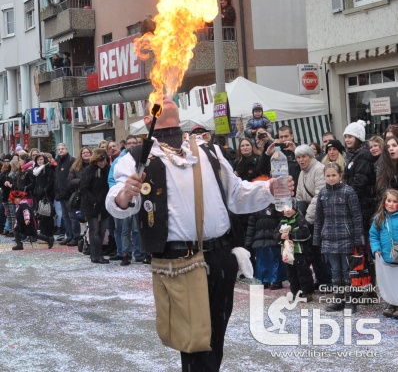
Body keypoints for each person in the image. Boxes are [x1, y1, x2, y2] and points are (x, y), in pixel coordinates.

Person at [106, 97, 293, 372]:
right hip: (179, 261)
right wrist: (124, 195)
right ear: (149, 120)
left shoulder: (209, 151)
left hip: (220, 258)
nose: (164, 97)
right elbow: (119, 202)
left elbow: (237, 194)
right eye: (155, 101)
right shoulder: (137, 158)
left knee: (216, 336)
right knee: (195, 339)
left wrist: (269, 189)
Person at [313, 162, 363, 312]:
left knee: (348, 270)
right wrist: (317, 238)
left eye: (334, 175)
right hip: (328, 238)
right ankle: (338, 298)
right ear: (324, 177)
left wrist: (357, 238)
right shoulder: (322, 194)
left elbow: (357, 216)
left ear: (340, 176)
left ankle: (350, 300)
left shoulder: (349, 192)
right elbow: (318, 218)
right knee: (335, 270)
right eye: (328, 175)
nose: (331, 178)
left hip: (346, 237)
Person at [294, 144, 331, 287]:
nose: (301, 160)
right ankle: (320, 279)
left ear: (311, 156)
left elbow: (319, 196)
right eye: (298, 157)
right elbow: (299, 196)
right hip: (308, 216)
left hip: (320, 216)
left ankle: (327, 280)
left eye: (304, 156)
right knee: (313, 251)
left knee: (321, 250)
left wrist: (307, 219)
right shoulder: (302, 172)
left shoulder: (319, 169)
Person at [108, 135, 147, 266]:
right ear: (125, 144)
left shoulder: (143, 158)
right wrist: (120, 194)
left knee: (137, 229)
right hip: (124, 199)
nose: (132, 145)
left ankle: (139, 252)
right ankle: (125, 253)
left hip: (140, 198)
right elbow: (112, 179)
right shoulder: (120, 160)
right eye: (129, 143)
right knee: (124, 229)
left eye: (134, 143)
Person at [274, 200, 314, 301]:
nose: (287, 211)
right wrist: (280, 236)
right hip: (288, 253)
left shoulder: (300, 220)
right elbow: (274, 234)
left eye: (290, 208)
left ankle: (307, 292)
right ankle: (295, 292)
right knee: (291, 274)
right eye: (285, 209)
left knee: (303, 273)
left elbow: (306, 234)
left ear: (295, 208)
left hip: (300, 252)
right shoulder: (282, 222)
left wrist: (290, 236)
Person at [343, 120, 376, 236]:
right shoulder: (355, 154)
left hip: (363, 203)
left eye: (350, 136)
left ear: (358, 138)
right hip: (359, 202)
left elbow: (360, 181)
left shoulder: (363, 155)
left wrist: (347, 199)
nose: (347, 139)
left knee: (363, 237)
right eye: (346, 136)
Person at [369, 189, 398, 319]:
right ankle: (391, 303)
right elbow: (373, 236)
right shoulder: (379, 218)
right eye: (388, 200)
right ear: (384, 202)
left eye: (395, 201)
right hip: (386, 257)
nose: (391, 204)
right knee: (388, 281)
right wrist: (376, 249)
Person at [245, 202, 287, 290]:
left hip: (273, 237)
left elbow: (282, 221)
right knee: (262, 261)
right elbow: (251, 225)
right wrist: (248, 242)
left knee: (274, 260)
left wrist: (279, 234)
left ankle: (276, 280)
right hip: (259, 238)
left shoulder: (276, 205)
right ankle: (264, 280)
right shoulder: (255, 206)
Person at [80, 148, 110, 264]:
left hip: (104, 204)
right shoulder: (89, 170)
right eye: (100, 161)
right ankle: (96, 255)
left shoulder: (107, 169)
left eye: (104, 161)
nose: (102, 163)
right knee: (95, 230)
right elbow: (84, 188)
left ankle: (97, 253)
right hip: (92, 205)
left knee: (102, 230)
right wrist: (93, 200)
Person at [54, 143, 79, 246]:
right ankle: (68, 236)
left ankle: (75, 237)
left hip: (70, 193)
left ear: (67, 149)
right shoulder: (57, 161)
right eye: (59, 149)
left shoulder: (72, 160)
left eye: (63, 148)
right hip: (60, 193)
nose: (61, 150)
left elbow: (74, 176)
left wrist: (71, 189)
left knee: (72, 216)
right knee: (65, 217)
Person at [376, 133, 398, 200]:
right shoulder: (382, 167)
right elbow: (382, 190)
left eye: (394, 145)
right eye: (388, 147)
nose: (391, 149)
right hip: (390, 205)